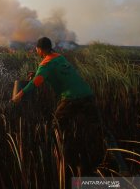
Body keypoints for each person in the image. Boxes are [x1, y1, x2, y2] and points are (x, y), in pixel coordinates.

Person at [12, 37, 104, 180]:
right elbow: (48, 72)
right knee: (96, 127)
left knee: (56, 125)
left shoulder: (45, 64)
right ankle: (101, 157)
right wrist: (36, 74)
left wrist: (19, 95)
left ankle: (64, 158)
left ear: (40, 49)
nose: (36, 50)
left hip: (71, 98)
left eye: (36, 48)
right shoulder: (59, 57)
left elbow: (35, 83)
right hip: (88, 95)